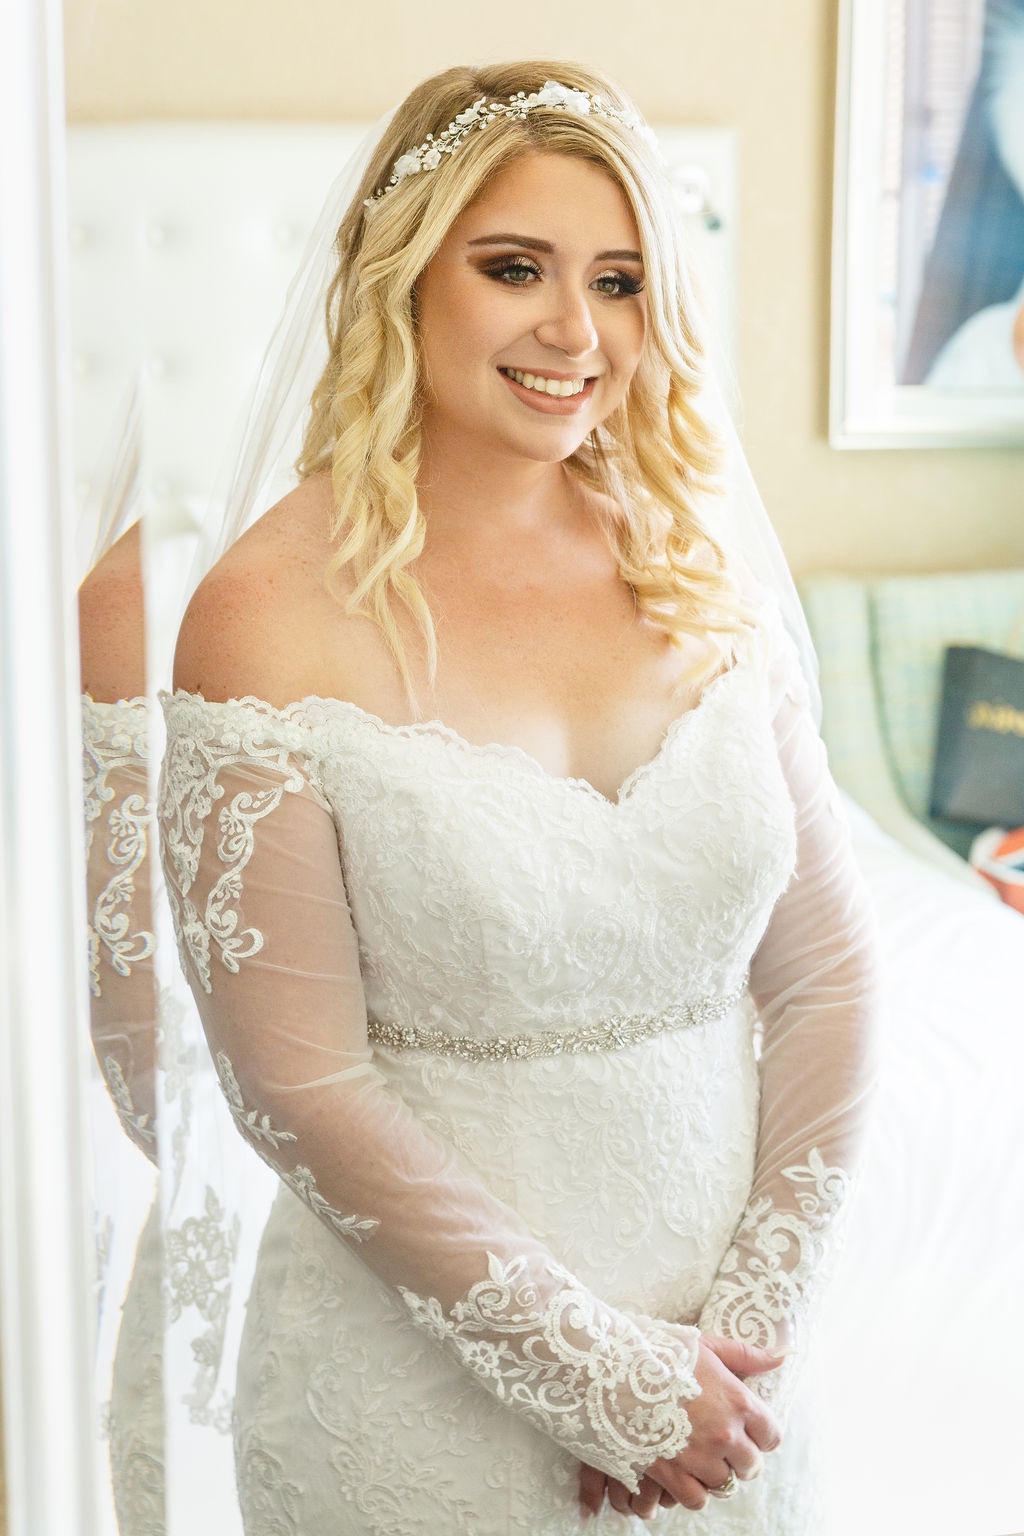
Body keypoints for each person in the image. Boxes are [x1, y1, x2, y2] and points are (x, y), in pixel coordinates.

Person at [158, 61, 880, 1532]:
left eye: (619, 280)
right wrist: (597, 1376)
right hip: (415, 1399)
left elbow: (829, 976)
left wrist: (744, 1332)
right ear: (400, 278)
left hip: (729, 1397)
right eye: (515, 269)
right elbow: (297, 1085)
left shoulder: (696, 565)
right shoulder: (266, 614)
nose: (575, 331)